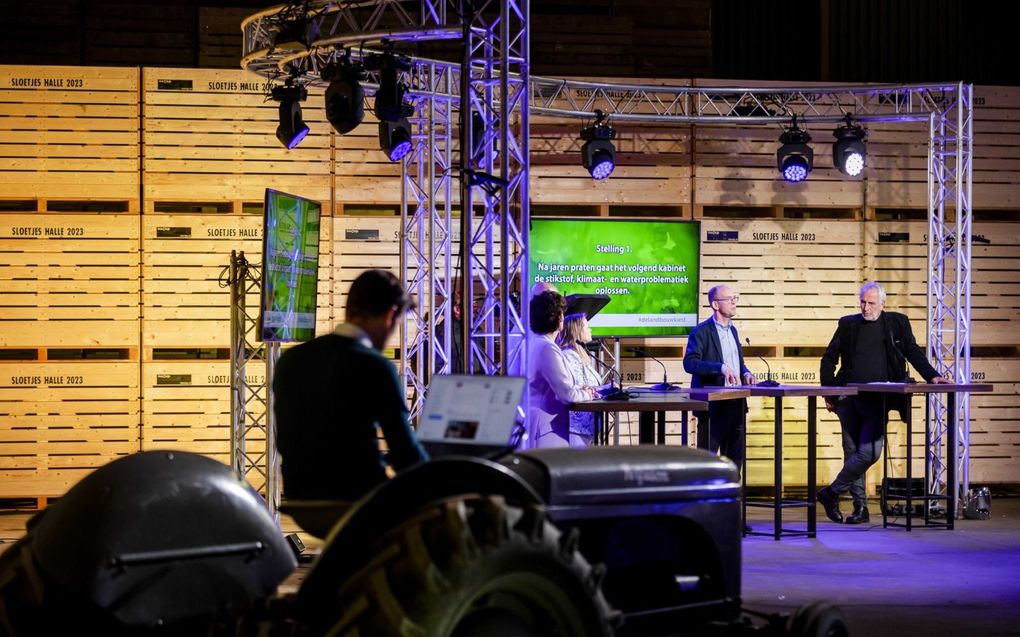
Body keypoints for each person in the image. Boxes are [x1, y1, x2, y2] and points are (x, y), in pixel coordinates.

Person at [273, 269, 429, 502]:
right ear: (390, 314)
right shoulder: (375, 366)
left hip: (300, 498)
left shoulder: (291, 359)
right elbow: (405, 453)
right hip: (359, 499)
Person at [818, 281, 949, 524]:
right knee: (851, 453)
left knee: (869, 453)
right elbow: (829, 358)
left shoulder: (896, 323)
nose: (865, 308)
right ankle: (860, 508)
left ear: (882, 304)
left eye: (871, 303)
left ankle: (831, 492)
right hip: (848, 398)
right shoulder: (848, 324)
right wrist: (829, 391)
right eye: (863, 303)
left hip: (877, 399)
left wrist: (932, 375)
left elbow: (912, 351)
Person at [683, 285, 756, 468]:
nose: (734, 302)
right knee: (707, 463)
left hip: (736, 404)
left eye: (735, 298)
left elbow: (736, 364)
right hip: (713, 406)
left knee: (735, 462)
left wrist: (745, 372)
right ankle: (703, 497)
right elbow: (690, 363)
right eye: (729, 298)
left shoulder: (733, 331)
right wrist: (720, 368)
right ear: (715, 304)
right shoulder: (700, 332)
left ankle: (732, 496)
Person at [528, 290, 597, 448]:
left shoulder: (536, 343)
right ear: (559, 318)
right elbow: (567, 395)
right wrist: (587, 393)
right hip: (548, 430)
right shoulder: (547, 348)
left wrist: (579, 388)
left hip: (543, 426)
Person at [556, 313, 606, 446]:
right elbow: (577, 389)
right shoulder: (569, 356)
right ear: (577, 331)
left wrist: (608, 389)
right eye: (587, 327)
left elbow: (590, 387)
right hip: (576, 428)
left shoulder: (581, 356)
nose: (590, 330)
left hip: (588, 426)